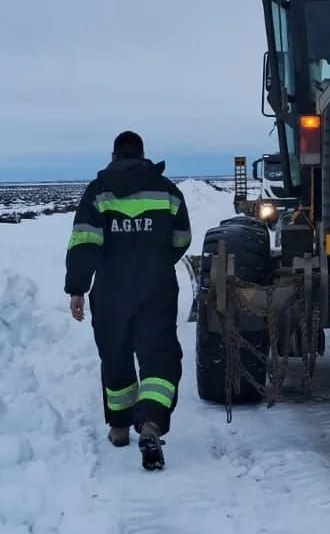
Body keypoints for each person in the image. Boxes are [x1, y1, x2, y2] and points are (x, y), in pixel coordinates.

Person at [65, 131, 192, 470]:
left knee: (116, 355)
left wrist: (77, 288)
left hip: (111, 291)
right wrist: (158, 262)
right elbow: (182, 239)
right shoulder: (167, 190)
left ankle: (120, 428)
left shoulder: (98, 191)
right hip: (156, 288)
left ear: (113, 155)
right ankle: (150, 423)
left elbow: (84, 242)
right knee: (159, 358)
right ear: (142, 154)